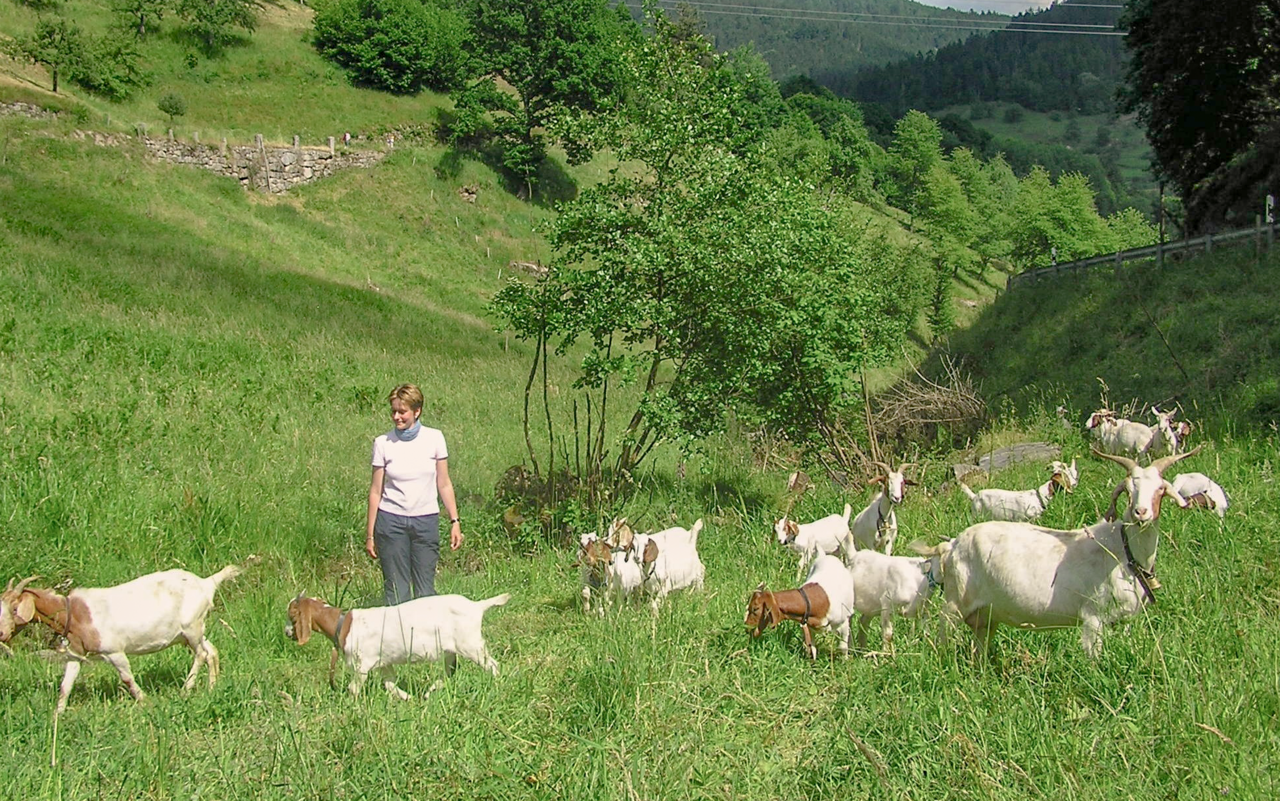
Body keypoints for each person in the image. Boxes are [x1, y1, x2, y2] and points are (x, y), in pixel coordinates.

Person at [366, 383, 463, 605]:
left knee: (425, 593)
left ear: (417, 411)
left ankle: (427, 629)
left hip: (425, 521)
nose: (397, 417)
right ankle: (398, 628)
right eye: (393, 411)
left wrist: (454, 521)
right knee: (396, 593)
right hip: (391, 522)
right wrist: (370, 534)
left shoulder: (434, 438)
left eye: (402, 412)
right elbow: (376, 491)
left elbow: (444, 483)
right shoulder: (383, 443)